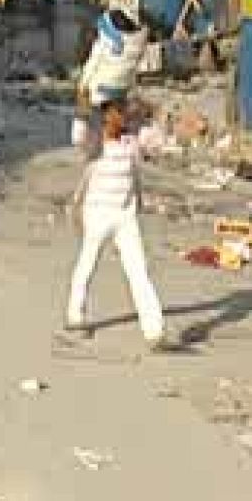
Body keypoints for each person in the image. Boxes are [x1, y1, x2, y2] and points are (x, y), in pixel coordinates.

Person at [65, 102, 169, 351]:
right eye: (115, 114)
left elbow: (157, 145)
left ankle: (154, 330)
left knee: (138, 270)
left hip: (126, 216)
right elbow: (77, 136)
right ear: (104, 117)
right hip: (98, 214)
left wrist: (152, 118)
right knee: (87, 264)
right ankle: (75, 315)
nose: (120, 118)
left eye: (122, 114)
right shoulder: (96, 143)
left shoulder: (130, 143)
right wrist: (81, 111)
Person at [74, 8, 146, 150]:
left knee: (89, 108)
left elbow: (90, 67)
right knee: (115, 117)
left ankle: (86, 137)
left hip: (100, 91)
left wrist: (82, 85)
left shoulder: (103, 45)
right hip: (121, 91)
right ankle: (117, 138)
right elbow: (133, 73)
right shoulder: (135, 46)